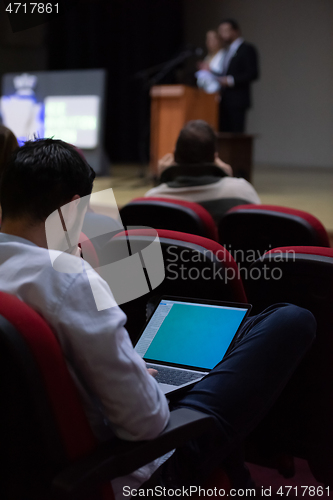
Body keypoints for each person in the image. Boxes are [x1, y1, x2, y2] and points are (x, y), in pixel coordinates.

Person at [0, 138, 316, 498]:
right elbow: (147, 424)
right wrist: (147, 386)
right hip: (133, 468)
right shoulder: (68, 278)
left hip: (31, 464)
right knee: (289, 320)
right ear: (72, 210)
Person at [145, 120, 260, 223]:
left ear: (174, 156)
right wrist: (228, 178)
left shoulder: (153, 199)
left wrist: (162, 180)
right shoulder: (242, 192)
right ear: (215, 158)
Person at [200, 19, 259, 133]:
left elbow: (253, 73)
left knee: (235, 134)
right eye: (221, 31)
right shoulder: (227, 51)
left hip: (238, 100)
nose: (223, 34)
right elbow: (224, 74)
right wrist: (211, 71)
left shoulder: (246, 49)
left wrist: (230, 81)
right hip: (223, 100)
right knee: (223, 134)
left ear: (236, 31)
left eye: (226, 30)